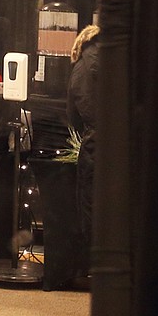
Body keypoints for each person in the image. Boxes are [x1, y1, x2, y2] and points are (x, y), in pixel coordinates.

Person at [66, 24, 100, 286]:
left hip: (96, 143)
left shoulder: (81, 66)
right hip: (125, 142)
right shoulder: (118, 57)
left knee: (91, 208)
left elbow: (74, 113)